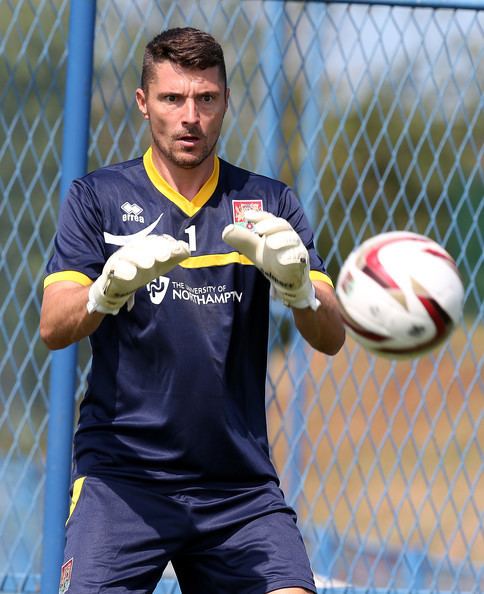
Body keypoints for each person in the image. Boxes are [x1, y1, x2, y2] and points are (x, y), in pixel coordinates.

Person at [40, 27, 345, 594]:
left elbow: (331, 335)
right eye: (172, 98)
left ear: (226, 102)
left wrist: (302, 288)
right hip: (123, 479)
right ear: (143, 102)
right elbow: (52, 325)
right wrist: (102, 293)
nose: (190, 116)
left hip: (238, 490)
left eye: (206, 99)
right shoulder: (97, 198)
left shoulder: (270, 203)